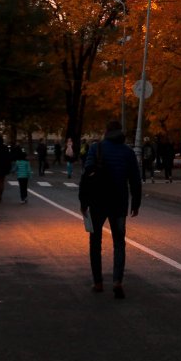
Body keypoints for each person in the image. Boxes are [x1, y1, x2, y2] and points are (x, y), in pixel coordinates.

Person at [79, 121, 142, 300]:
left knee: (95, 241)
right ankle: (117, 281)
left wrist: (83, 202)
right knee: (119, 242)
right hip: (119, 203)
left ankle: (98, 282)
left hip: (97, 202)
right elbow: (135, 180)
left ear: (106, 131)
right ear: (120, 133)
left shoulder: (96, 148)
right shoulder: (128, 152)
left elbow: (87, 174)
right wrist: (135, 204)